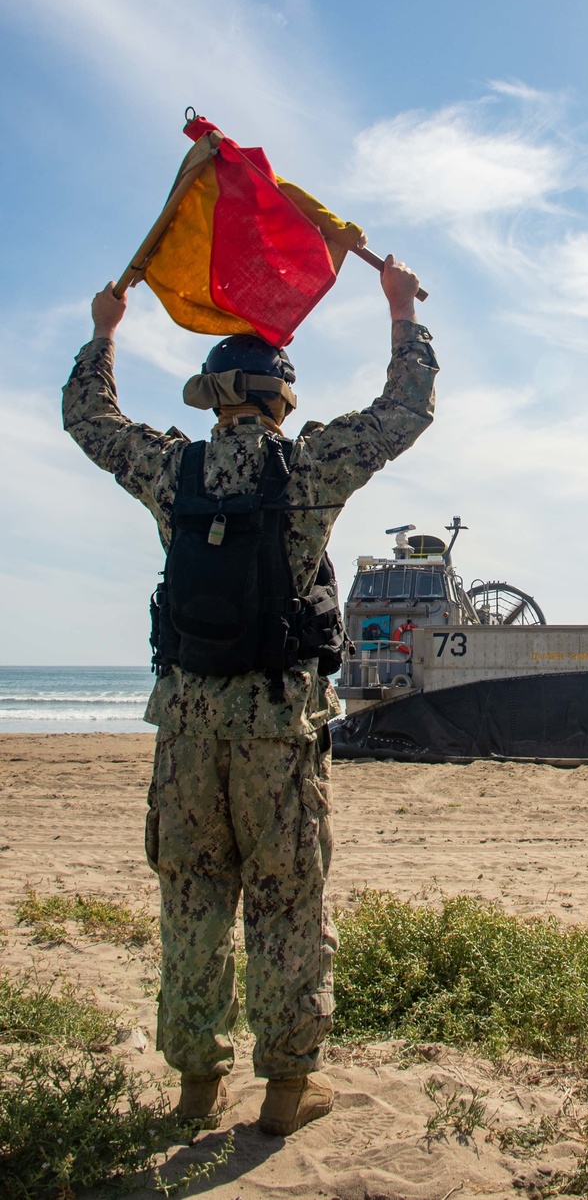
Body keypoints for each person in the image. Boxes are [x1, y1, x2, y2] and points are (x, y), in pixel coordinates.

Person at [63, 257, 437, 1135]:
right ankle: (285, 1088)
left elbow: (91, 420)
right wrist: (397, 311)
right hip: (277, 728)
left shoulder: (173, 472)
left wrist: (104, 332)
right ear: (279, 400)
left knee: (191, 896)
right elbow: (405, 410)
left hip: (186, 730)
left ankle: (196, 1084)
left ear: (216, 395)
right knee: (286, 899)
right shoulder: (307, 473)